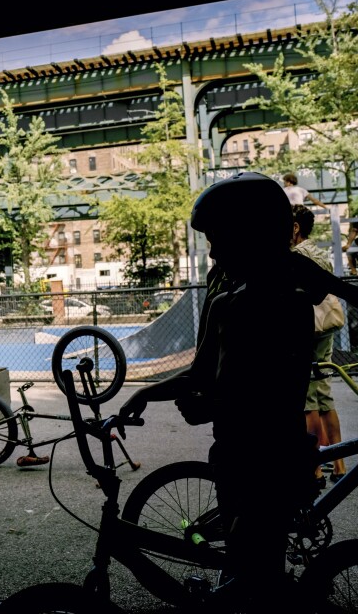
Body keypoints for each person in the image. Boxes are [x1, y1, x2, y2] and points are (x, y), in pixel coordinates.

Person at [119, 172, 318, 612]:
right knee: (243, 568)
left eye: (218, 239)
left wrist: (212, 406)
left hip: (270, 463)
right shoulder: (225, 300)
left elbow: (277, 401)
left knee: (258, 575)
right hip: (230, 456)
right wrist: (142, 395)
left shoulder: (289, 307)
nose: (212, 252)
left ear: (254, 236)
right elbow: (200, 374)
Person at [292, 204, 347, 486]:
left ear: (296, 228)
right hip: (328, 325)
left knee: (307, 399)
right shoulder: (318, 250)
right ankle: (339, 463)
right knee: (325, 394)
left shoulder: (297, 255)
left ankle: (314, 466)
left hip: (308, 327)